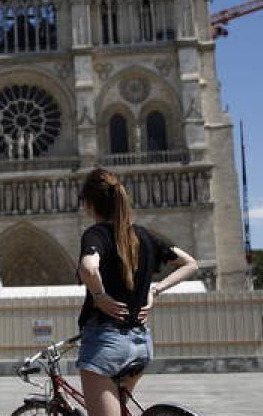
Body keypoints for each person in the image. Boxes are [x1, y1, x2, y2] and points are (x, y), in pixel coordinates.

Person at [75, 168, 198, 416]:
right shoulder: (144, 235)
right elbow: (190, 263)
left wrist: (100, 297)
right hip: (140, 343)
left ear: (88, 204)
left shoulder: (96, 234)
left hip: (106, 344)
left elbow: (89, 267)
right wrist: (157, 289)